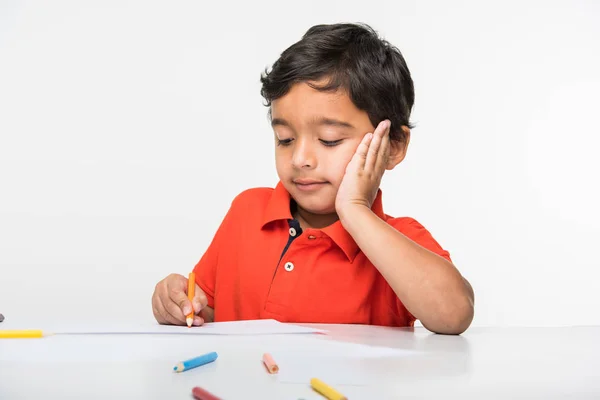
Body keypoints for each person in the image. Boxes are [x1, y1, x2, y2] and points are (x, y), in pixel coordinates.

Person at [152, 22, 474, 334]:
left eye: (330, 140)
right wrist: (179, 302)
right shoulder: (247, 211)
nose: (300, 159)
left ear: (393, 147)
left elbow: (454, 314)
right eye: (285, 139)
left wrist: (356, 211)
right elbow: (205, 308)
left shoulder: (398, 241)